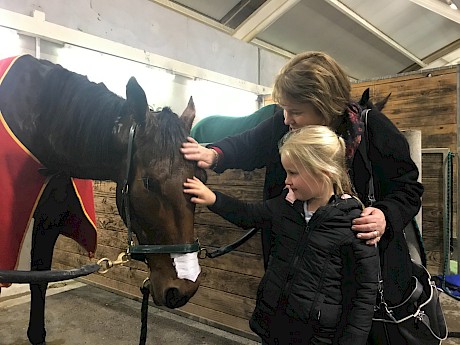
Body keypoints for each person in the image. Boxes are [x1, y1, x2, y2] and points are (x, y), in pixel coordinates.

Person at [181, 51, 423, 310]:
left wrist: (385, 215)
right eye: (285, 110)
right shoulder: (286, 126)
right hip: (298, 278)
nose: (286, 119)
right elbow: (250, 144)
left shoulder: (373, 129)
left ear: (325, 105)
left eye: (295, 111)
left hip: (359, 279)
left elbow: (408, 189)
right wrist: (214, 154)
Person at [184, 125, 379, 345]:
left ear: (322, 172)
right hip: (274, 326)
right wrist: (213, 198)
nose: (287, 181)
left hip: (316, 337)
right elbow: (248, 215)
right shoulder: (285, 207)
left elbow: (364, 292)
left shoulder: (355, 223)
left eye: (294, 173)